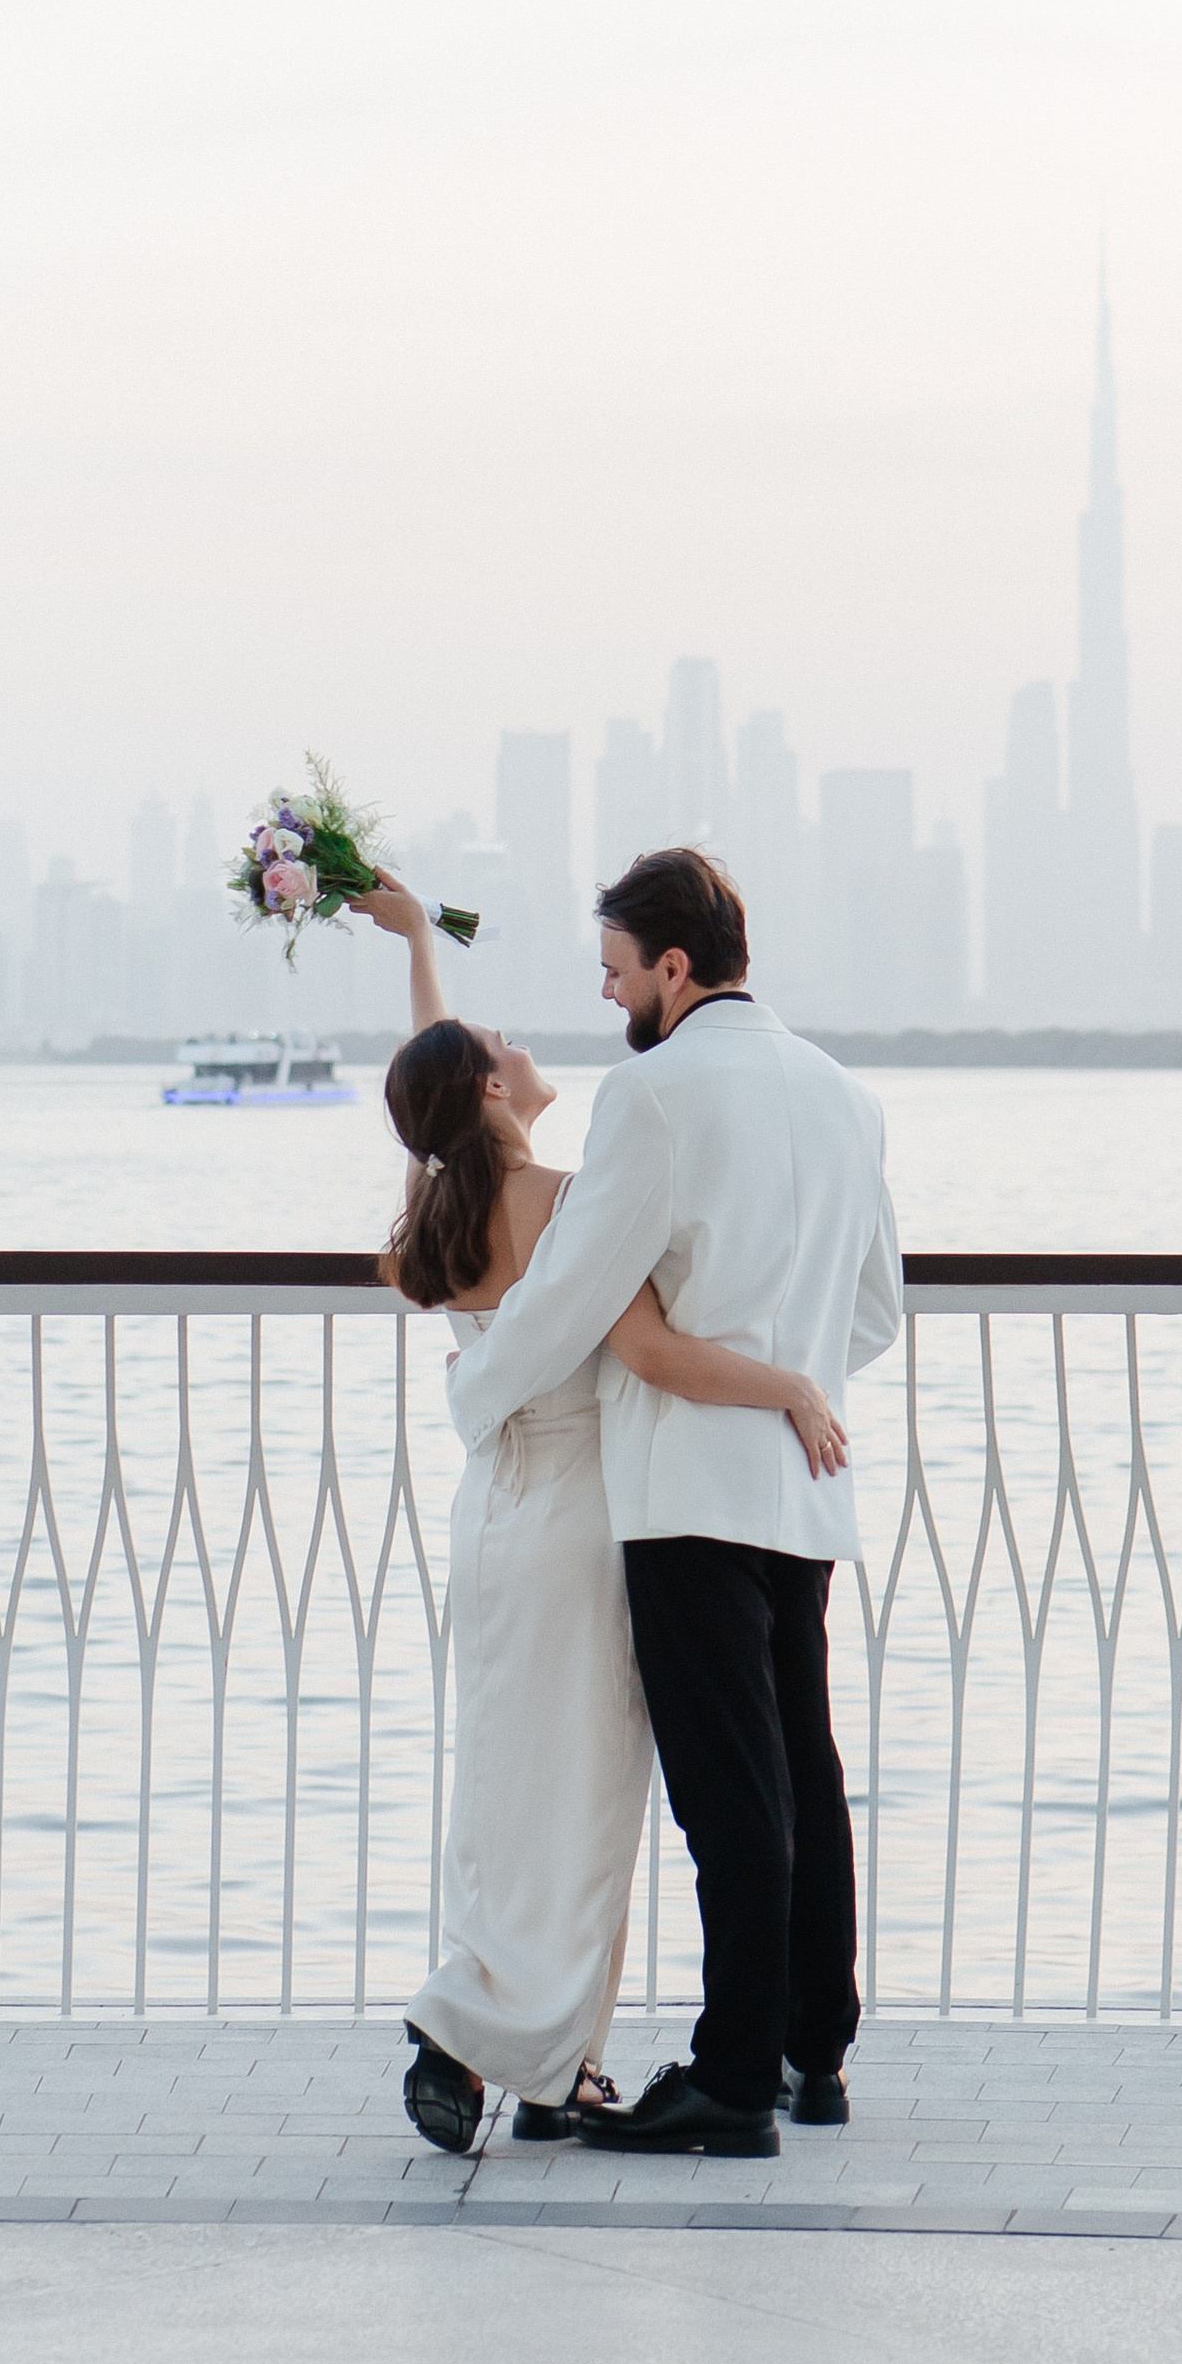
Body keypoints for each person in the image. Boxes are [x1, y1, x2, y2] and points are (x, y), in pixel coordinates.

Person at [363, 876, 850, 2157]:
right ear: (487, 1092)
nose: (531, 1041)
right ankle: (528, 2046)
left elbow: (438, 1083)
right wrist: (790, 1381)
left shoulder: (441, 1202)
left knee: (501, 1792)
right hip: (592, 1510)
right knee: (596, 1804)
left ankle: (521, 2042)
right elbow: (635, 1342)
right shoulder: (570, 1197)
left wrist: (422, 947)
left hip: (492, 1518)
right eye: (503, 1046)